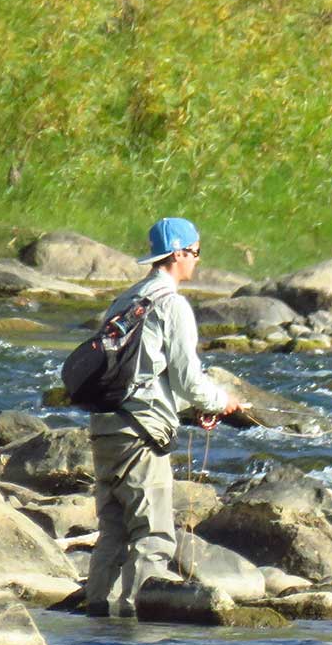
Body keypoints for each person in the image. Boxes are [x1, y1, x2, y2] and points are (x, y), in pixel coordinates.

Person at [86, 217, 241, 618]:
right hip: (141, 436)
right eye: (196, 252)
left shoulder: (125, 301)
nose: (197, 261)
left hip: (106, 428)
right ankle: (138, 632)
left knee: (113, 534)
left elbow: (142, 372)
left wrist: (190, 412)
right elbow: (188, 379)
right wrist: (220, 401)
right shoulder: (171, 305)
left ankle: (98, 619)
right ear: (178, 254)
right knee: (153, 537)